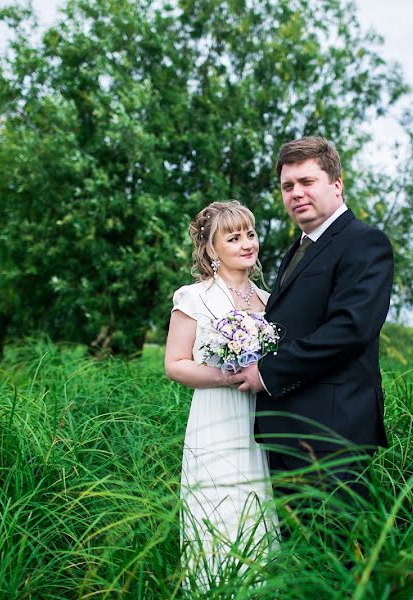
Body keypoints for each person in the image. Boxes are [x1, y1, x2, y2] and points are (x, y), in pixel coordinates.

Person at [233, 136, 394, 514]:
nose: (296, 193)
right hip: (288, 427)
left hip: (331, 433)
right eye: (288, 186)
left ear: (336, 185)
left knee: (331, 553)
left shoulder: (364, 242)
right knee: (298, 553)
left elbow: (350, 329)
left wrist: (267, 373)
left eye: (307, 182)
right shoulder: (300, 248)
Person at [164, 201, 277, 590]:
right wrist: (225, 376)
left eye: (250, 234)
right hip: (216, 415)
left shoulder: (268, 299)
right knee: (219, 504)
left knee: (258, 503)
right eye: (234, 237)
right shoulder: (195, 298)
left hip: (261, 416)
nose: (247, 244)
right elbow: (175, 363)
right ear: (212, 249)